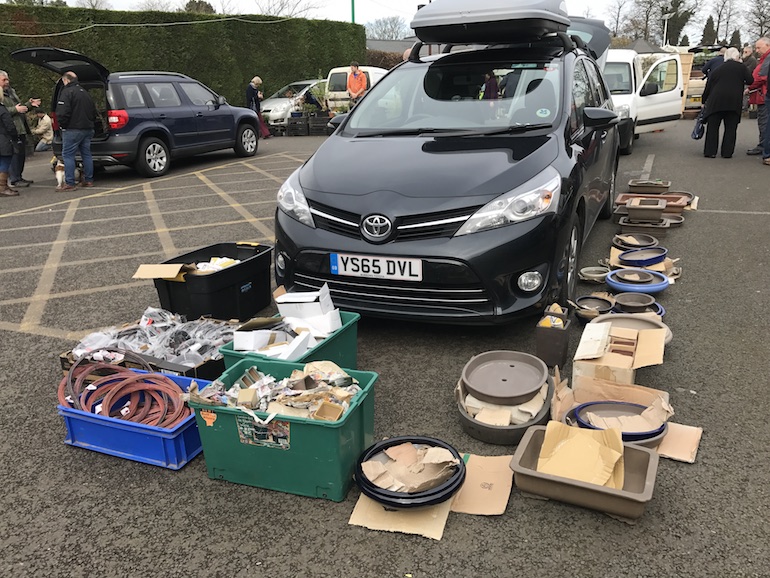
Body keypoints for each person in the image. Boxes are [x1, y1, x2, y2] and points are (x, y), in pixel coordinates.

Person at [701, 47, 753, 159]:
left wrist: (703, 100)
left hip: (716, 101)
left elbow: (709, 85)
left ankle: (710, 151)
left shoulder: (718, 68)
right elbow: (750, 80)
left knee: (713, 127)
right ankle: (727, 152)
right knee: (731, 128)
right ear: (737, 56)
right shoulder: (741, 68)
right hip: (734, 101)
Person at [55, 71, 97, 191]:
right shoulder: (85, 92)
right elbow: (93, 111)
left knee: (68, 155)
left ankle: (70, 182)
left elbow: (62, 112)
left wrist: (62, 125)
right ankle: (88, 180)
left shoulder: (67, 92)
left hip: (72, 129)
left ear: (66, 80)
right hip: (87, 128)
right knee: (86, 154)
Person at [1, 70, 41, 188]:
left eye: (7, 79)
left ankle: (19, 176)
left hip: (20, 127)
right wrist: (15, 110)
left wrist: (29, 105)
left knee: (21, 154)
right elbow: (3, 111)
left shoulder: (11, 92)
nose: (7, 82)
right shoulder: (1, 95)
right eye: (4, 80)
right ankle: (14, 179)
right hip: (8, 129)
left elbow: (20, 108)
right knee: (14, 154)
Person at [746, 37, 770, 155]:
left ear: (767, 46)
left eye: (759, 48)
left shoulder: (767, 59)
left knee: (764, 122)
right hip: (762, 93)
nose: (757, 50)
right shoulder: (764, 59)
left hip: (763, 95)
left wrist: (749, 87)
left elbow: (761, 77)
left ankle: (763, 146)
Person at [0, 102, 20, 196]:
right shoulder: (2, 109)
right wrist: (15, 137)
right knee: (5, 162)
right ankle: (2, 187)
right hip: (3, 138)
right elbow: (10, 125)